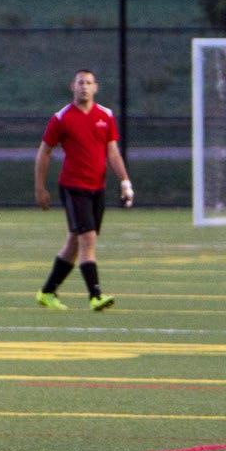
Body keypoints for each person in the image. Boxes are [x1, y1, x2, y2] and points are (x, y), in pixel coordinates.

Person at [33, 68, 133, 311]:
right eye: (80, 83)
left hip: (97, 188)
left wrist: (125, 181)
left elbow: (112, 151)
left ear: (95, 87)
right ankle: (95, 295)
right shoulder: (62, 118)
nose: (84, 87)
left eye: (88, 83)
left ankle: (47, 292)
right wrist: (40, 187)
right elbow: (44, 152)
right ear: (73, 86)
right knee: (87, 239)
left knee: (74, 243)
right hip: (73, 187)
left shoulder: (105, 116)